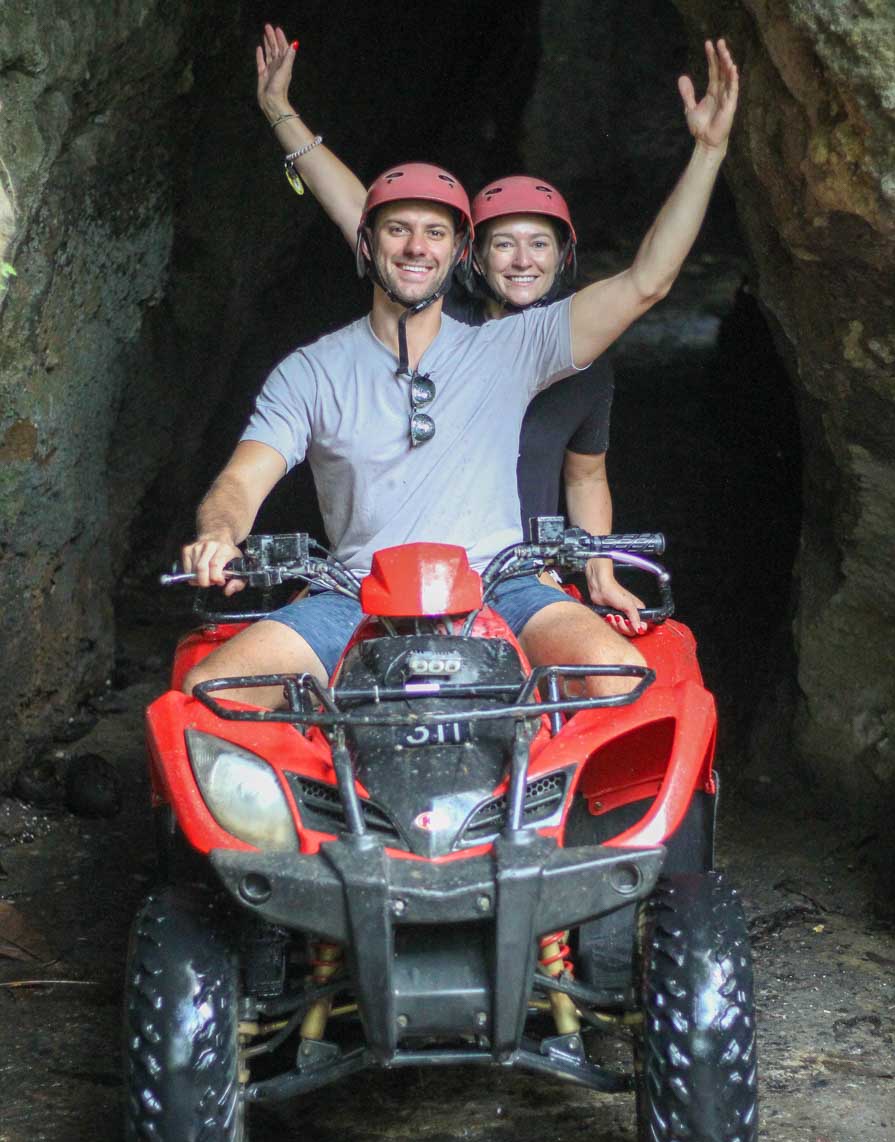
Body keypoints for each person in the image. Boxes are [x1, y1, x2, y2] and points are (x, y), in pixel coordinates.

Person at [181, 39, 739, 709]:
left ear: (458, 254)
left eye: (436, 234)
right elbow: (242, 480)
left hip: (500, 583)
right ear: (366, 243)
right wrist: (219, 534)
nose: (417, 247)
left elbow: (647, 282)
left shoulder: (510, 348)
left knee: (619, 676)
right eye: (397, 231)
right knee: (212, 693)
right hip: (354, 589)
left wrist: (708, 152)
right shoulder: (311, 371)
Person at [254, 22, 642, 630]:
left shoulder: (581, 355)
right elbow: (364, 216)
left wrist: (599, 570)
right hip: (399, 570)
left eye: (539, 244)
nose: (522, 262)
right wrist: (281, 113)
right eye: (503, 244)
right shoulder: (442, 322)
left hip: (516, 575)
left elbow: (586, 475)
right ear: (471, 255)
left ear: (563, 256)